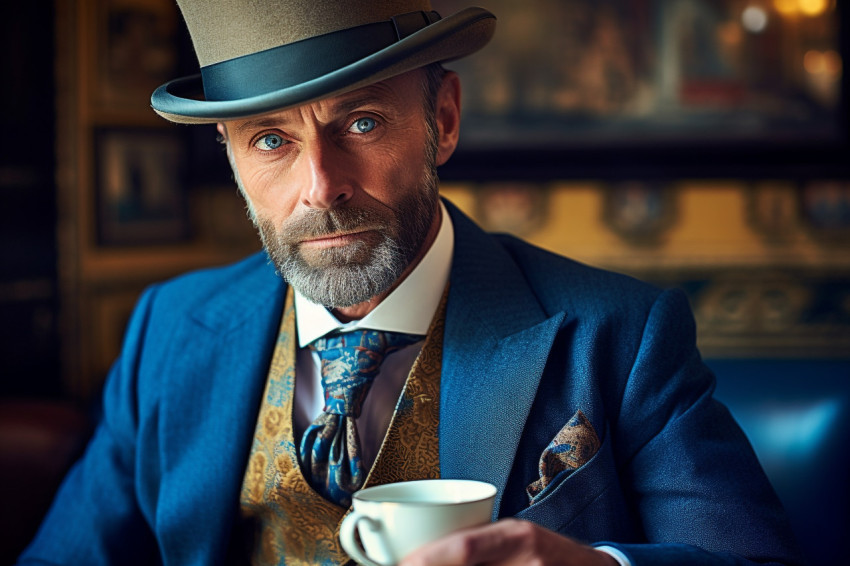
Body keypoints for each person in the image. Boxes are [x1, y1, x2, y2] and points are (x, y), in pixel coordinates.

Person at [20, 1, 804, 565]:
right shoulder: (170, 329)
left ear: (445, 120)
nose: (322, 186)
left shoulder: (621, 334)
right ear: (231, 158)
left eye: (360, 123)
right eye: (270, 141)